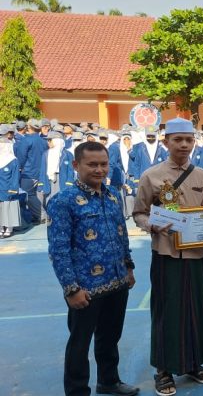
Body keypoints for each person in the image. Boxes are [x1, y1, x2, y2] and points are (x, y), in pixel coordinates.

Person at [133, 117, 203, 396]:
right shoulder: (151, 176)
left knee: (196, 309)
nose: (183, 145)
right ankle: (164, 369)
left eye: (189, 140)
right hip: (166, 254)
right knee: (166, 311)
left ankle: (194, 363)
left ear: (194, 142)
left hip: (196, 255)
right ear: (166, 142)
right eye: (177, 140)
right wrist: (151, 225)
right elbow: (139, 212)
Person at [47, 141, 139, 396]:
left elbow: (122, 236)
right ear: (76, 165)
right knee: (80, 343)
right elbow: (59, 249)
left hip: (117, 282)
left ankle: (108, 381)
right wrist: (71, 288)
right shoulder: (62, 201)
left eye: (103, 164)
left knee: (110, 338)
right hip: (84, 288)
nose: (99, 170)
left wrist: (128, 268)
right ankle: (77, 391)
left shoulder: (111, 195)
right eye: (92, 165)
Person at [16, 119, 48, 224]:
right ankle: (39, 215)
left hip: (28, 172)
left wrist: (19, 168)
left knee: (29, 194)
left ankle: (41, 215)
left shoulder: (26, 140)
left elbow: (21, 157)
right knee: (35, 194)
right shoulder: (44, 141)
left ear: (28, 127)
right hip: (41, 171)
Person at [0, 137, 22, 238]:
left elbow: (15, 177)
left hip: (7, 189)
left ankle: (9, 229)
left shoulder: (13, 160)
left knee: (8, 209)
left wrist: (13, 189)